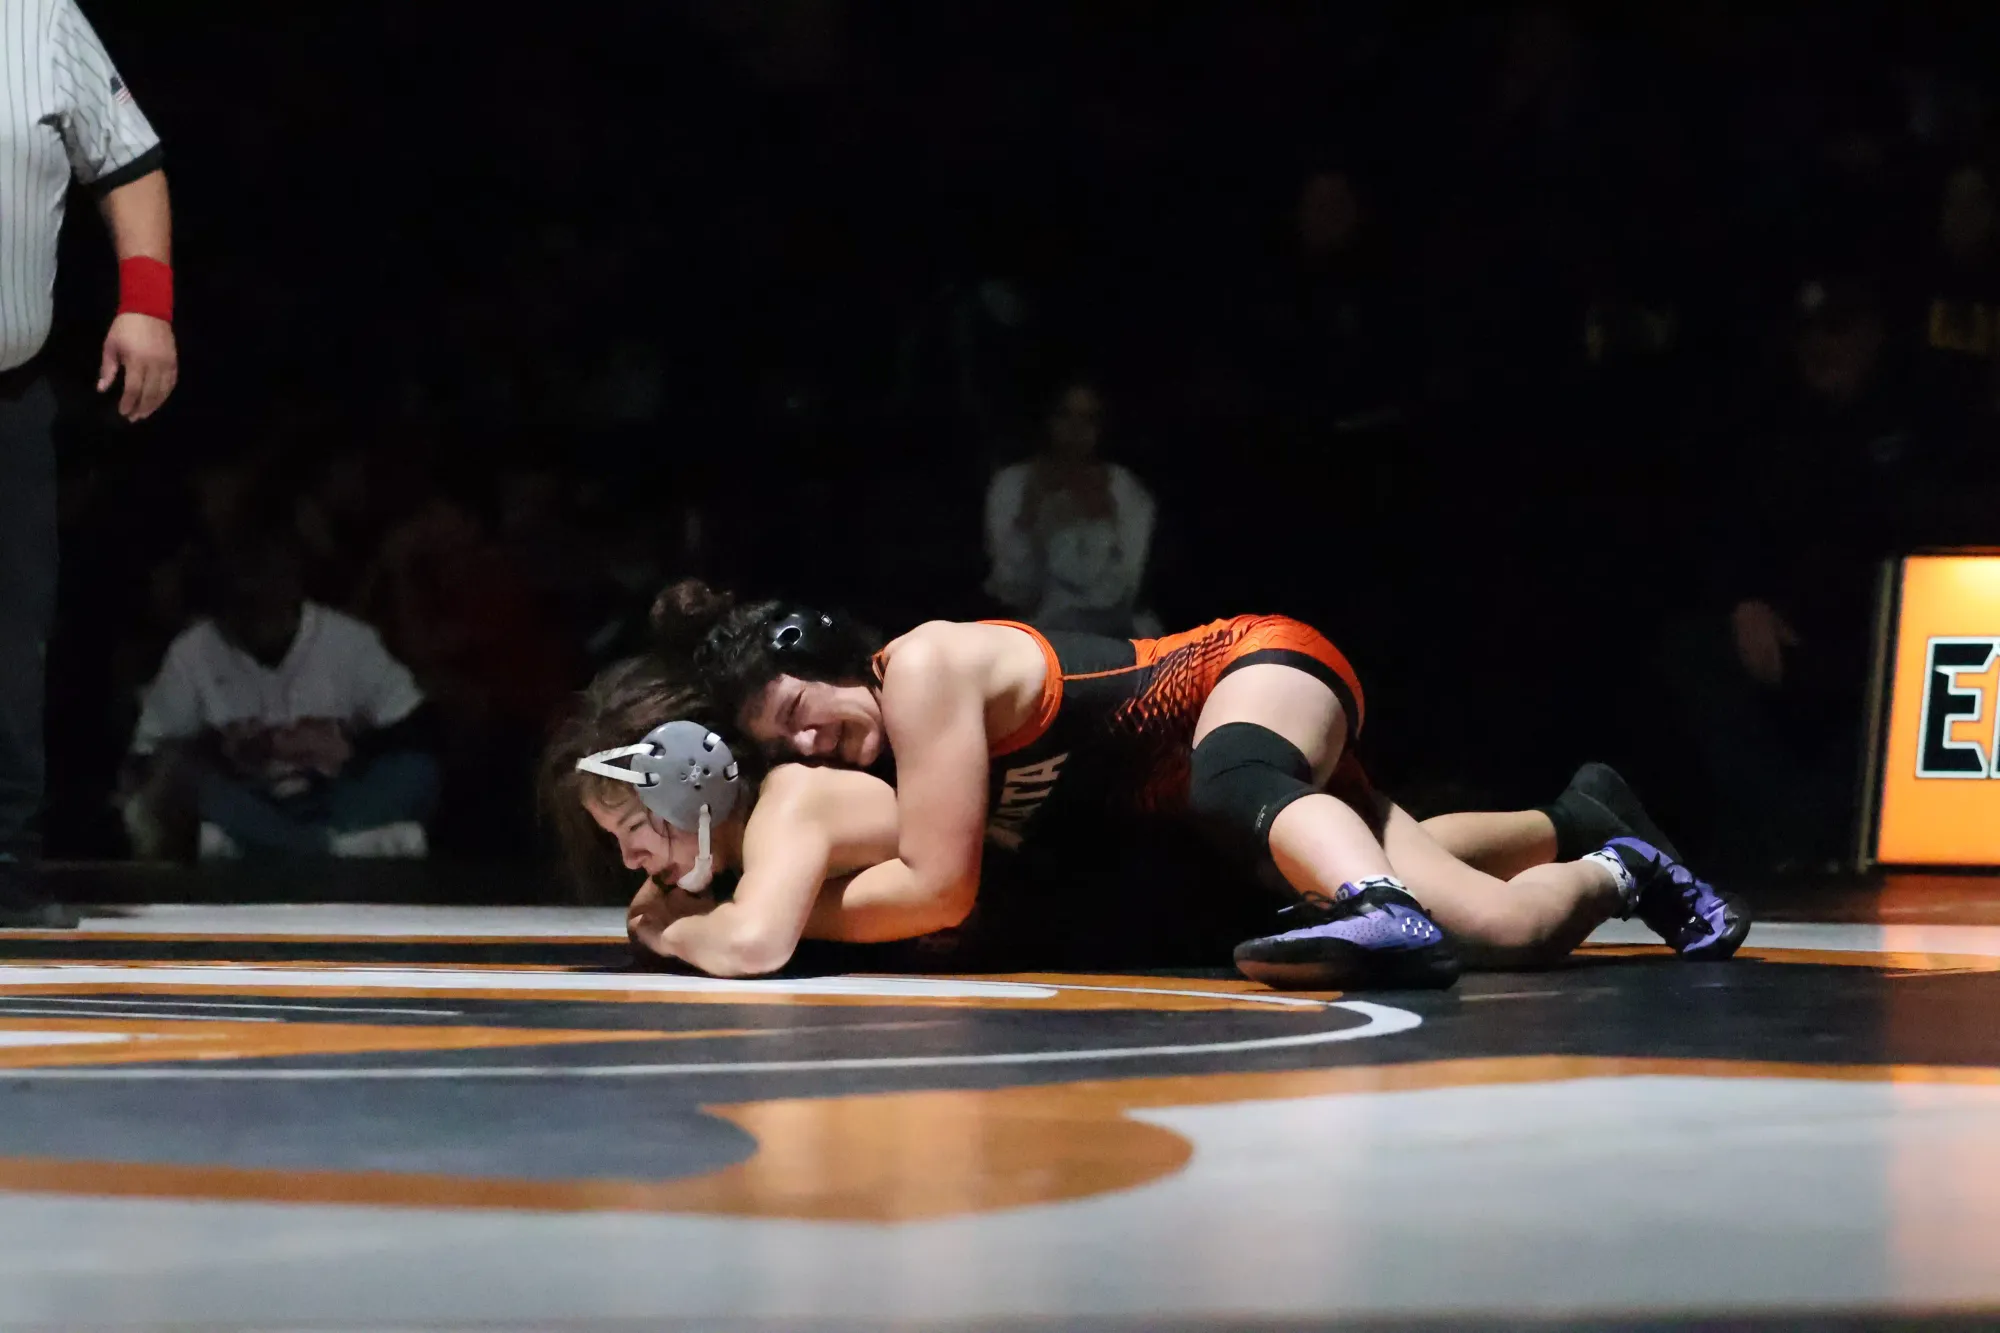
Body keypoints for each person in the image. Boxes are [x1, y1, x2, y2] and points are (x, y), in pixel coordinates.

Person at [654, 581, 1749, 988]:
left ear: (838, 655)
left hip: (1244, 672)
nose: (810, 745)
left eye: (802, 711)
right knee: (1503, 931)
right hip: (1228, 796)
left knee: (1236, 782)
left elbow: (939, 891)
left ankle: (1373, 904)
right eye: (784, 745)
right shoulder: (885, 749)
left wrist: (764, 919)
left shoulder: (924, 669)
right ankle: (1613, 856)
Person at [1, 0, 178, 925]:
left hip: (6, 394)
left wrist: (145, 304)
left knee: (10, 642)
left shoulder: (36, 18)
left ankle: (1, 865)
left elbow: (129, 161)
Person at [119, 530, 442, 861]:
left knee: (415, 770)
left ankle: (257, 848)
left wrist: (346, 746)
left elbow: (416, 729)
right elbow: (149, 758)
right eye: (244, 595)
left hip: (336, 795)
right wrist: (221, 748)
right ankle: (332, 850)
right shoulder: (194, 649)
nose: (256, 603)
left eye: (265, 588)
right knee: (178, 777)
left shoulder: (347, 639)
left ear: (292, 587)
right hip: (248, 798)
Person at [983, 377, 1159, 637]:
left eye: (1089, 419)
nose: (1076, 431)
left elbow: (1128, 587)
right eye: (1064, 415)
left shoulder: (1124, 489)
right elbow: (1013, 590)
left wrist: (1103, 519)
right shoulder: (1011, 485)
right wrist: (1029, 518)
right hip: (1037, 636)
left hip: (1114, 637)